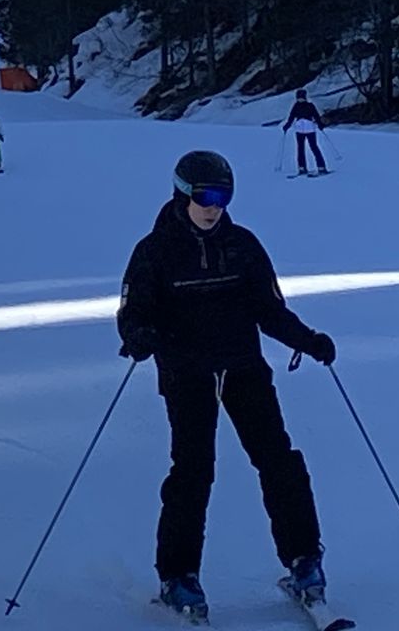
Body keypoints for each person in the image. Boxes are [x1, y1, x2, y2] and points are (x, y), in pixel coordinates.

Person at [118, 150, 337, 623]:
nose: (214, 207)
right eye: (205, 197)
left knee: (278, 460)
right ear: (182, 194)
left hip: (243, 367)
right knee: (194, 472)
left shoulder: (242, 245)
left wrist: (309, 340)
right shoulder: (154, 251)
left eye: (223, 197)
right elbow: (133, 311)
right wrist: (138, 337)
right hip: (187, 373)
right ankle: (178, 576)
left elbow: (270, 310)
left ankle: (304, 562)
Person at [281, 89, 329, 176]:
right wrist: (287, 125)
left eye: (301, 97)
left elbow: (315, 116)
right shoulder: (301, 106)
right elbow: (292, 117)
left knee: (309, 147)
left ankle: (315, 167)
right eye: (299, 98)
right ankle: (306, 167)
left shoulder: (306, 106)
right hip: (303, 129)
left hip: (306, 129)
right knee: (304, 148)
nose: (300, 99)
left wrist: (320, 124)